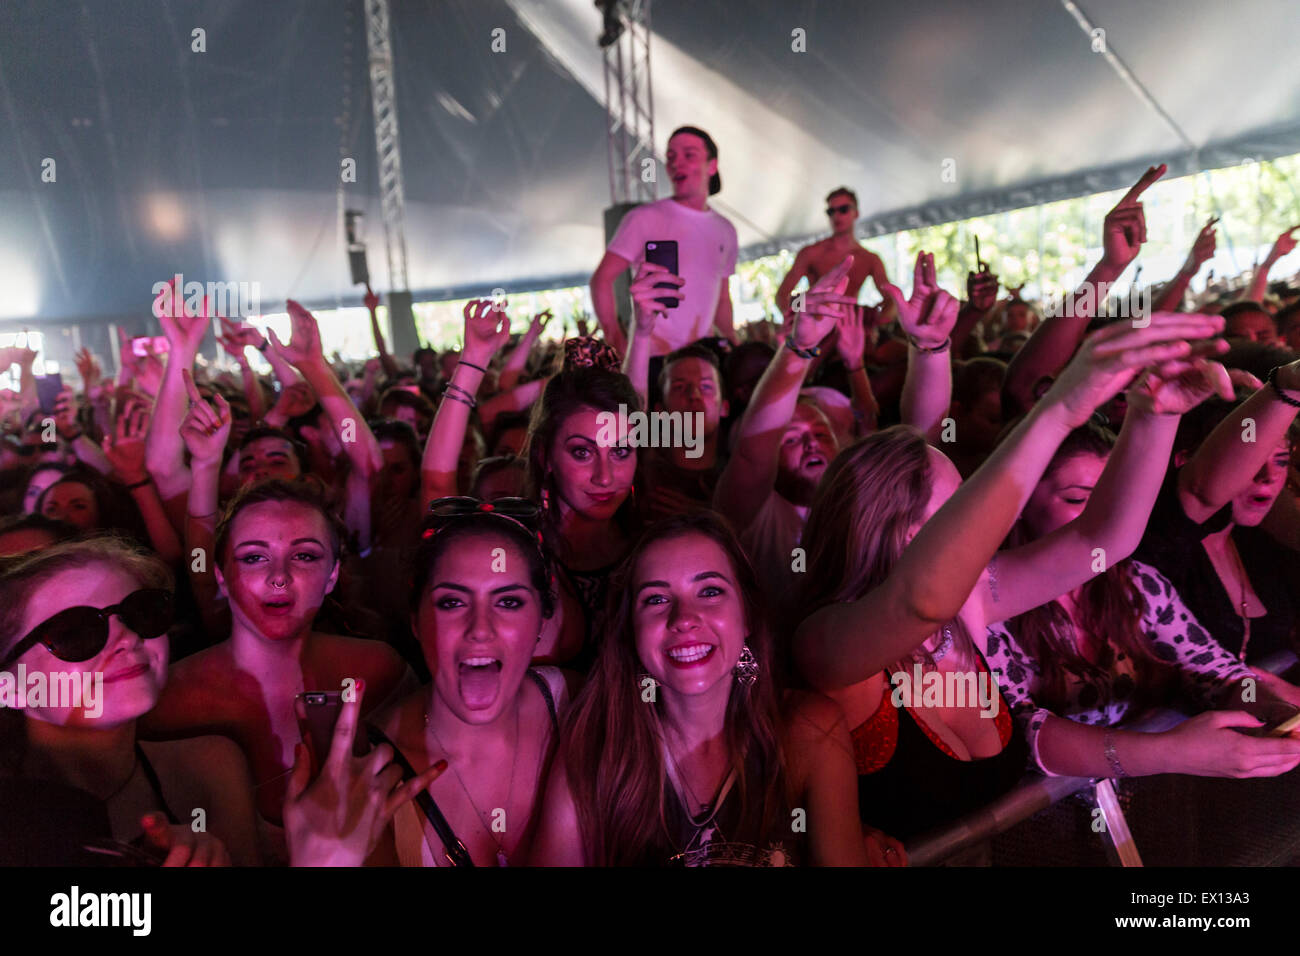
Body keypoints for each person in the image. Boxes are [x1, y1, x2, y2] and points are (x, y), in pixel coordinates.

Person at [792, 311, 1244, 827]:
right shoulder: (824, 642)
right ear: (891, 529)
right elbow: (919, 599)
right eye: (953, 514)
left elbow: (1104, 540)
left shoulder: (971, 599)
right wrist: (1058, 409)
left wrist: (1156, 414)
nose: (980, 527)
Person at [531, 512, 867, 866]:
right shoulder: (596, 749)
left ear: (748, 614)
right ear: (630, 629)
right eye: (656, 599)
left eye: (710, 591)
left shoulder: (812, 731)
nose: (684, 619)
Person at [982, 420, 1300, 780]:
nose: (1106, 518)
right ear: (1017, 502)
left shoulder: (1136, 583)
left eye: (1116, 499)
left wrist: (1274, 713)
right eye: (1079, 499)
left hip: (1140, 812)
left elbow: (1216, 672)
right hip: (1039, 826)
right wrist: (1168, 752)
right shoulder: (982, 605)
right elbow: (1014, 730)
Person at [139, 480, 414, 861]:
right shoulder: (167, 700)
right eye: (253, 557)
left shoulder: (380, 670)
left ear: (332, 575)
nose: (279, 576)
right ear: (221, 575)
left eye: (304, 556)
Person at [0, 537, 259, 865]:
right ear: (7, 688)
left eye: (140, 613)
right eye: (74, 633)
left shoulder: (210, 768)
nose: (127, 637)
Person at [357, 498, 573, 866]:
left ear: (541, 621)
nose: (480, 630)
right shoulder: (367, 769)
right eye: (452, 603)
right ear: (415, 620)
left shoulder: (579, 706)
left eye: (508, 602)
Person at [1134, 358, 1300, 663]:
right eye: (1252, 459)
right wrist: (1287, 385)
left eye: (1280, 460)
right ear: (1186, 460)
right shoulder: (1160, 547)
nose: (1268, 476)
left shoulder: (1261, 546)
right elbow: (1200, 490)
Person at [590, 126, 739, 356]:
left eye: (689, 155)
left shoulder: (726, 229)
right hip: (652, 356)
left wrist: (733, 341)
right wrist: (615, 339)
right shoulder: (644, 218)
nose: (676, 163)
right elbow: (602, 280)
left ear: (712, 165)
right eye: (671, 157)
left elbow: (721, 297)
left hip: (703, 356)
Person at [775, 187, 888, 318]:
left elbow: (892, 299)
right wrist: (806, 310)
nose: (836, 216)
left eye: (843, 209)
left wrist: (874, 324)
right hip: (817, 332)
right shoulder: (811, 253)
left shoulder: (869, 259)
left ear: (856, 213)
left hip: (851, 331)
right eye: (831, 211)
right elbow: (782, 296)